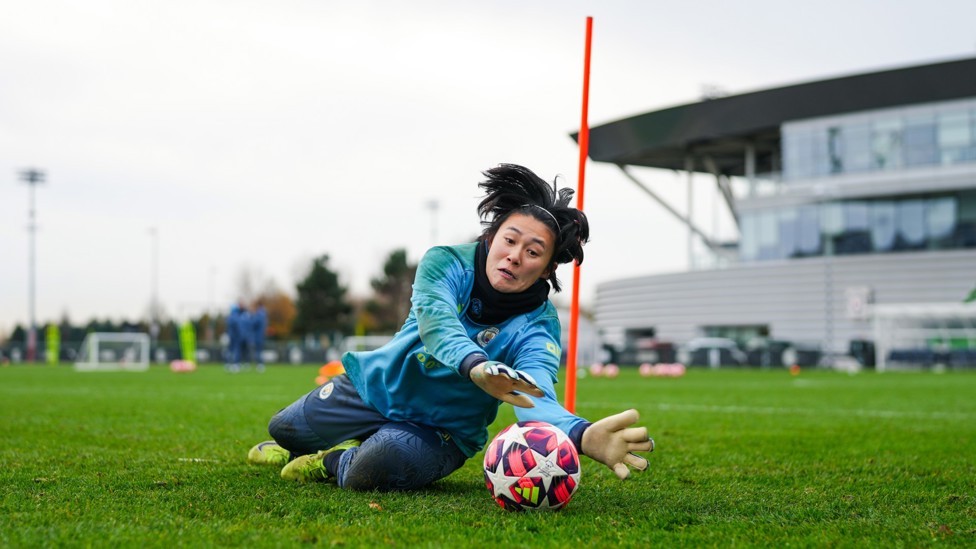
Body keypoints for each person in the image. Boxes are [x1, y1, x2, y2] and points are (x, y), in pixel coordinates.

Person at [247, 164, 654, 491]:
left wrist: (582, 435)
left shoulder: (539, 326)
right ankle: (302, 445)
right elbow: (436, 321)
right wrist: (476, 365)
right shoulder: (445, 262)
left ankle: (334, 459)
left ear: (547, 268)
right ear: (492, 236)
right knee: (283, 428)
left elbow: (535, 393)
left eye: (533, 252)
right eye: (510, 241)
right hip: (373, 388)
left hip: (440, 430)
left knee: (370, 469)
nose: (514, 256)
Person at [225, 302, 245, 373]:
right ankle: (235, 364)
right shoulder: (236, 316)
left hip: (231, 336)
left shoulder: (230, 317)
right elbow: (238, 327)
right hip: (236, 336)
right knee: (236, 351)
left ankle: (228, 364)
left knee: (230, 350)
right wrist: (241, 335)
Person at [250, 301, 269, 372]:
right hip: (261, 335)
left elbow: (253, 324)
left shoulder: (259, 314)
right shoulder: (264, 314)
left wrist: (252, 316)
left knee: (258, 351)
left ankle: (260, 364)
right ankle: (261, 364)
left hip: (258, 335)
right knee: (260, 350)